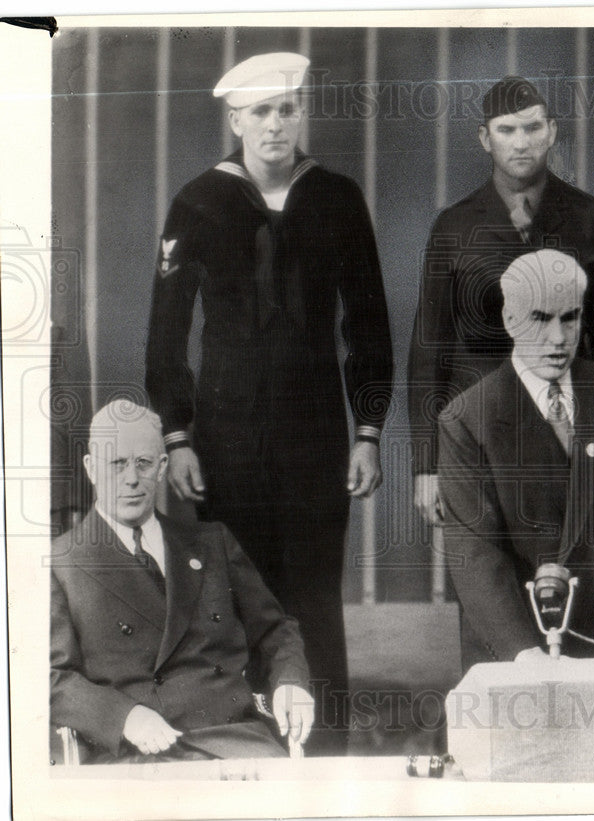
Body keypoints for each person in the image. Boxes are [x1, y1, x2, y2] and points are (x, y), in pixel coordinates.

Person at [145, 53, 393, 754]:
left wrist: (368, 430)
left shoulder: (336, 197)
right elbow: (166, 332)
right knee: (236, 594)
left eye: (288, 108)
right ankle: (243, 746)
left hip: (316, 432)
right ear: (235, 119)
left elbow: (368, 321)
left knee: (312, 596)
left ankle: (328, 751)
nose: (277, 124)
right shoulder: (198, 202)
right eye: (261, 111)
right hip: (226, 436)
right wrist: (178, 435)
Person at [409, 75, 594, 527]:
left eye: (532, 128)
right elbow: (427, 351)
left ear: (551, 132)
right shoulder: (453, 226)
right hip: (479, 432)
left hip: (565, 428)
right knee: (484, 582)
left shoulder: (589, 217)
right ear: (484, 138)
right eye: (506, 130)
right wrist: (426, 463)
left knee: (572, 575)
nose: (521, 143)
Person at [438, 250, 594, 668]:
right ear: (510, 320)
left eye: (570, 317)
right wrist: (525, 654)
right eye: (540, 318)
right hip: (517, 647)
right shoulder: (467, 419)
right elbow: (476, 555)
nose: (558, 338)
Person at [50, 401, 314, 763]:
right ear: (91, 469)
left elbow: (275, 632)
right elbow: (49, 676)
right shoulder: (62, 562)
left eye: (143, 463)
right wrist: (121, 717)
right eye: (116, 463)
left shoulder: (212, 543)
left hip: (234, 741)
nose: (131, 479)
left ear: (161, 469)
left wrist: (291, 684)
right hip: (136, 752)